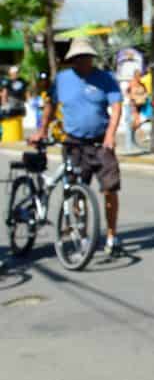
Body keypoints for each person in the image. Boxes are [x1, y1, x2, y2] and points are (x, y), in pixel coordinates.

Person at [31, 38, 124, 256]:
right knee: (75, 190)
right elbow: (51, 106)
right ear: (72, 60)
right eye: (78, 58)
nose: (82, 61)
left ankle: (112, 236)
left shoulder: (106, 79)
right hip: (73, 143)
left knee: (110, 188)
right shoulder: (62, 79)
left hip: (100, 142)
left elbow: (116, 107)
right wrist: (42, 130)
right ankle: (80, 233)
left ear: (92, 58)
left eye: (86, 57)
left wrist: (110, 135)